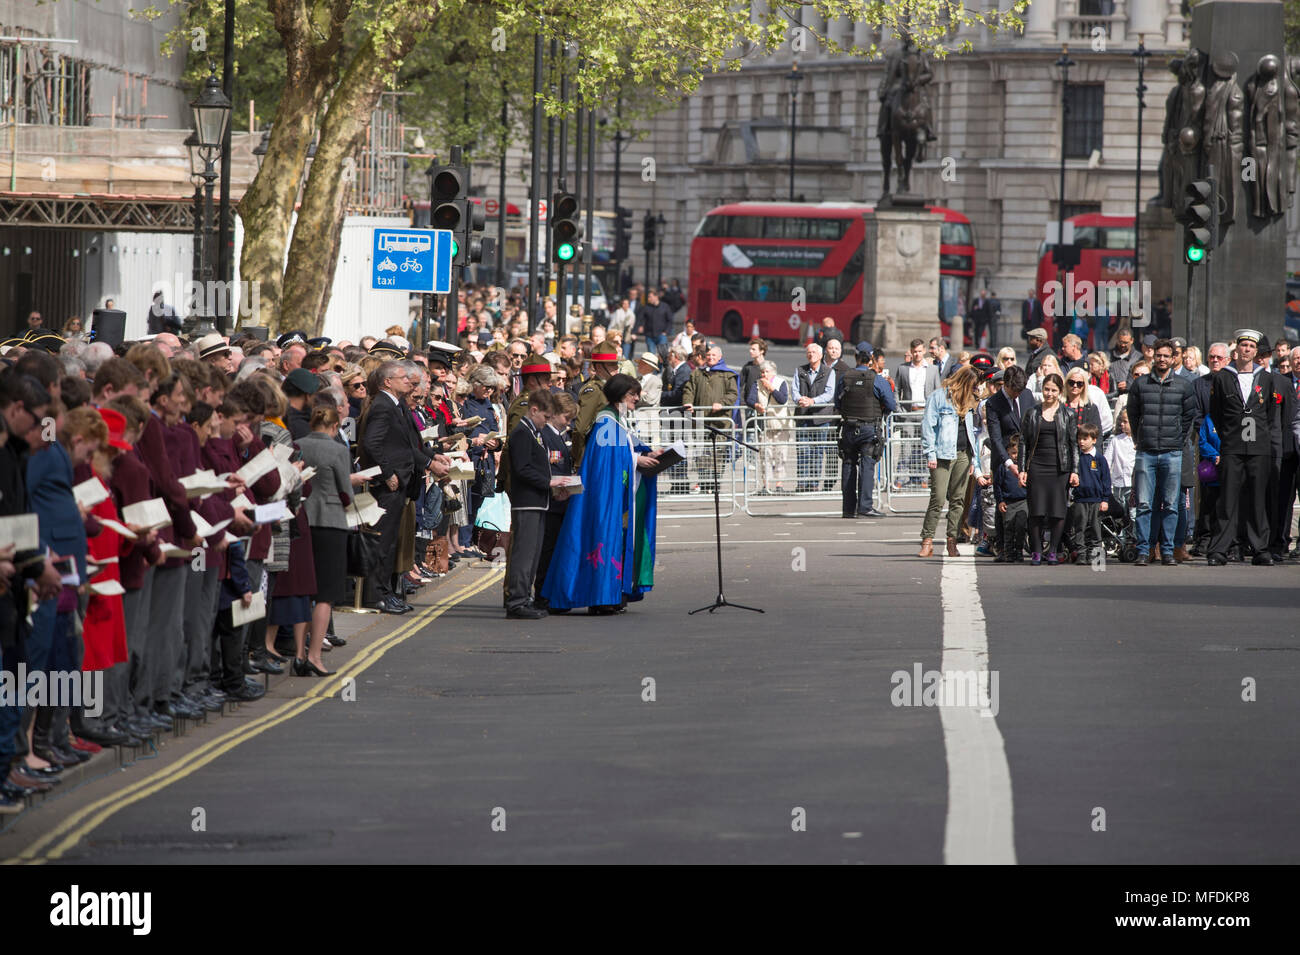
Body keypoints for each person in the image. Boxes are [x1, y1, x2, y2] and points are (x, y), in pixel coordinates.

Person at [541, 374, 661, 614]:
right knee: (602, 542)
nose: (637, 397)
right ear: (619, 395)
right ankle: (600, 597)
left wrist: (649, 452)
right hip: (604, 497)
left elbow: (623, 449)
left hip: (613, 494)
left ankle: (608, 595)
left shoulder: (616, 420)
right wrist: (637, 459)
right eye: (632, 394)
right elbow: (608, 459)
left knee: (608, 543)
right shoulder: (607, 421)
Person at [1207, 329, 1284, 565]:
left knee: (1258, 499)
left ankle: (1260, 549)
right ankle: (1219, 550)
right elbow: (1216, 413)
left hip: (1258, 448)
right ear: (1237, 349)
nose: (1247, 350)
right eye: (1244, 346)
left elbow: (1270, 414)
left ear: (1256, 350)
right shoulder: (1222, 377)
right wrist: (1230, 434)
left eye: (1252, 346)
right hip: (1232, 446)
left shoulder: (1266, 378)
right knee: (1227, 499)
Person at [1127, 338, 1196, 566]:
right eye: (1159, 355)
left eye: (1167, 356)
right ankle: (1144, 550)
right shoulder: (1140, 384)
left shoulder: (1184, 385)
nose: (1162, 359)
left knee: (1170, 503)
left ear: (1173, 358)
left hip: (1172, 453)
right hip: (1146, 452)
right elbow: (1133, 414)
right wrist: (1139, 438)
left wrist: (1178, 439)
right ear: (1153, 356)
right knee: (1145, 504)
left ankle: (1167, 551)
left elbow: (1188, 417)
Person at [505, 389, 568, 620]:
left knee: (533, 555)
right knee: (524, 555)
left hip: (538, 501)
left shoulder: (533, 432)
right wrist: (549, 481)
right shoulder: (522, 432)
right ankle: (517, 601)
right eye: (545, 416)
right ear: (534, 410)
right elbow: (522, 469)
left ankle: (525, 599)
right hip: (527, 503)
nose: (546, 422)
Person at [918, 366, 987, 557]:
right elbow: (928, 426)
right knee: (938, 498)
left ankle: (952, 540)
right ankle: (927, 540)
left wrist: (975, 459)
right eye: (973, 386)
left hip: (964, 453)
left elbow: (974, 431)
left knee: (958, 500)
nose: (975, 390)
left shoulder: (972, 400)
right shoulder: (939, 397)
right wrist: (930, 453)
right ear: (964, 382)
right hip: (942, 454)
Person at [1018, 372, 1078, 565]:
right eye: (1046, 389)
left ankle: (1052, 550)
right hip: (1036, 466)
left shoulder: (1068, 414)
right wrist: (1022, 468)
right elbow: (1023, 442)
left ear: (1060, 392)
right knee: (1036, 511)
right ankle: (1036, 551)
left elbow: (1073, 444)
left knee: (1057, 511)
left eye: (1053, 390)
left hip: (1060, 467)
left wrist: (1074, 471)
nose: (1049, 393)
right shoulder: (1032, 412)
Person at [836, 342, 896, 518]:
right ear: (870, 360)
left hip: (848, 427)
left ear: (855, 358)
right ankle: (865, 507)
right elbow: (891, 404)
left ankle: (848, 509)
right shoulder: (877, 379)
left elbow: (837, 403)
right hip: (869, 428)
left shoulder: (844, 377)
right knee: (867, 466)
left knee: (848, 465)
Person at [681, 342, 738, 495]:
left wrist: (722, 403)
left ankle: (715, 484)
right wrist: (688, 402)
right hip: (700, 420)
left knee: (717, 453)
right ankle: (704, 483)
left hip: (720, 421)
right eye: (709, 355)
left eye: (714, 355)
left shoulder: (727, 375)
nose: (711, 358)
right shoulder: (697, 373)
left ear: (720, 357)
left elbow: (733, 394)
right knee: (701, 453)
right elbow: (689, 389)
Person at [790, 341, 837, 492]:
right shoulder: (800, 370)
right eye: (809, 352)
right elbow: (795, 390)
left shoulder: (828, 372)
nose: (811, 355)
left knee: (817, 451)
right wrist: (800, 400)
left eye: (814, 352)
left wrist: (812, 401)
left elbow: (829, 394)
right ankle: (802, 482)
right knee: (803, 450)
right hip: (803, 416)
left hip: (821, 418)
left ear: (821, 355)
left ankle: (814, 483)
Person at [1069, 423, 1111, 564]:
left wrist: (1105, 499)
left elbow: (1106, 480)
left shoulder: (1099, 459)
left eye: (1085, 438)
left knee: (1095, 527)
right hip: (1080, 499)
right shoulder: (1076, 458)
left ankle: (1096, 556)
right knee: (1079, 527)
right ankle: (1081, 554)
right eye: (1079, 438)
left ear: (1094, 440)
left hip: (1096, 499)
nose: (1081, 442)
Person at [995, 431, 1029, 562]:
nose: (1015, 456)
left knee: (1021, 527)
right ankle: (1008, 552)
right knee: (1008, 528)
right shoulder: (1004, 468)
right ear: (1008, 453)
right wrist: (1000, 501)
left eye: (1017, 453)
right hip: (1008, 502)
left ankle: (1019, 551)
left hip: (1023, 501)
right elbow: (997, 486)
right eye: (1013, 453)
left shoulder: (1025, 468)